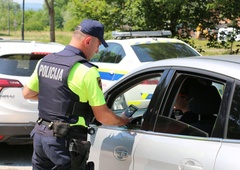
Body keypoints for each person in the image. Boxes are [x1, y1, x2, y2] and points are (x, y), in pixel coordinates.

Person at [22, 19, 130, 170]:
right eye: (98, 45)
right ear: (88, 41)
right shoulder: (87, 71)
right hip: (65, 141)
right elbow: (102, 116)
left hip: (41, 136)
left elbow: (27, 93)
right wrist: (122, 120)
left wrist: (55, 100)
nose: (97, 51)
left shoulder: (45, 61)